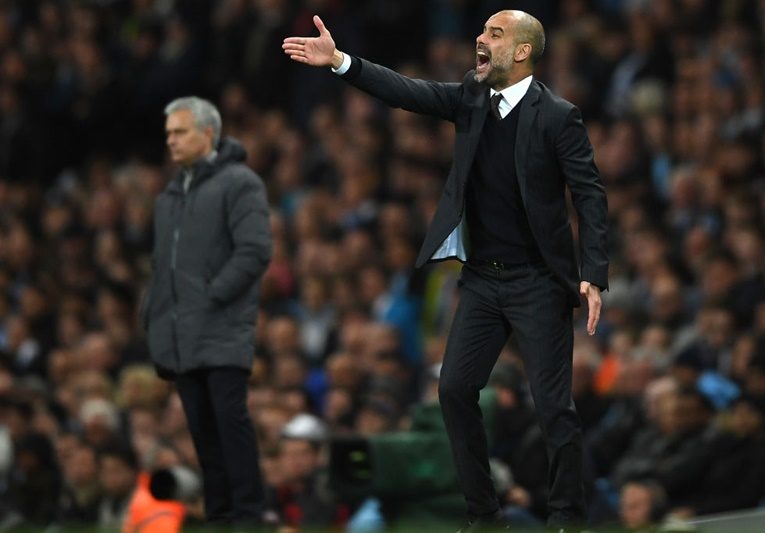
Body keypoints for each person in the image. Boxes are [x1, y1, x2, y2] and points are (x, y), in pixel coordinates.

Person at [283, 9, 608, 531]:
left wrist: (593, 271)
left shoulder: (557, 115)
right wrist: (342, 61)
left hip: (537, 282)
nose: (480, 38)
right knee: (454, 391)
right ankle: (484, 514)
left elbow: (589, 193)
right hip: (481, 279)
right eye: (482, 30)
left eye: (494, 34)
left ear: (522, 51)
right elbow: (407, 92)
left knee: (553, 407)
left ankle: (567, 517)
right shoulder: (471, 96)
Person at [142, 96, 272, 525]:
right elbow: (161, 267)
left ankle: (249, 514)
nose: (171, 141)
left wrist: (212, 296)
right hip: (180, 331)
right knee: (201, 429)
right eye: (168, 134)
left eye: (180, 132)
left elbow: (254, 250)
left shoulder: (240, 183)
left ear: (208, 133)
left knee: (229, 422)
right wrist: (154, 313)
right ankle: (220, 516)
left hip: (222, 326)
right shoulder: (169, 197)